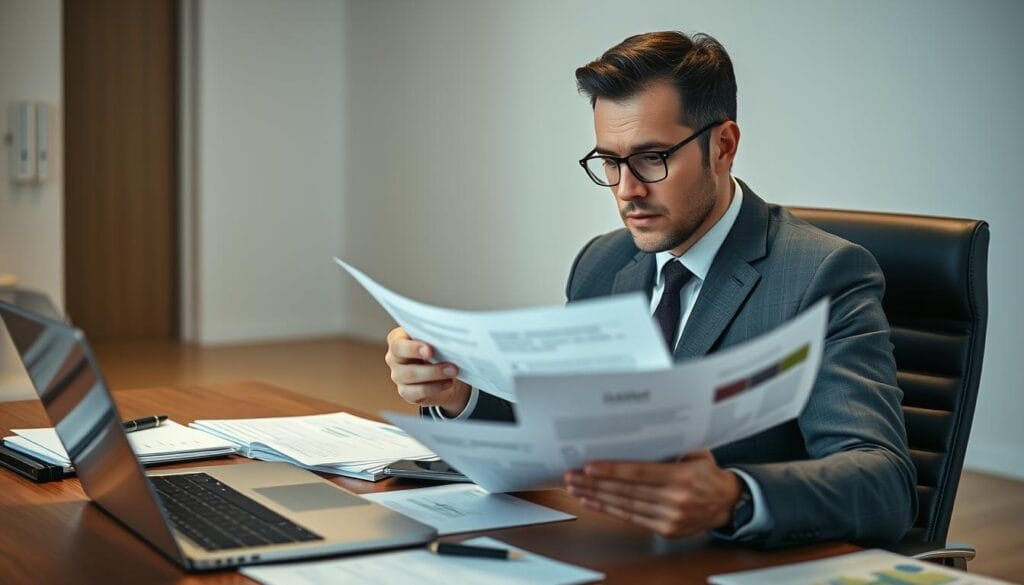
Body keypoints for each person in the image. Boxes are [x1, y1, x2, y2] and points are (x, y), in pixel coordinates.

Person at [384, 31, 916, 548]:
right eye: (609, 163)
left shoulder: (821, 274)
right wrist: (456, 393)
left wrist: (734, 497)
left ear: (723, 146)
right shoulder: (602, 262)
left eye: (651, 158)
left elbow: (884, 483)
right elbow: (557, 434)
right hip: (611, 549)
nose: (627, 190)